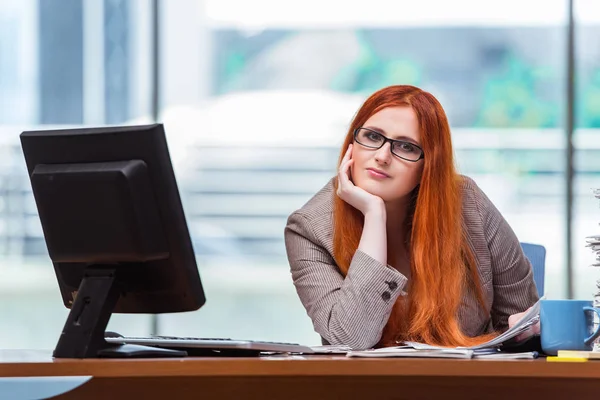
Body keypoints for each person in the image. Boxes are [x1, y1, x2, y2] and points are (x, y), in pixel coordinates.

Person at [284, 85, 539, 350]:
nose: (382, 156)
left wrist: (530, 330)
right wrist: (374, 215)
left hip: (464, 385)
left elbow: (521, 324)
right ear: (351, 144)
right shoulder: (309, 228)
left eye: (406, 147)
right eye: (372, 137)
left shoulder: (468, 203)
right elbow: (351, 340)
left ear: (429, 164)